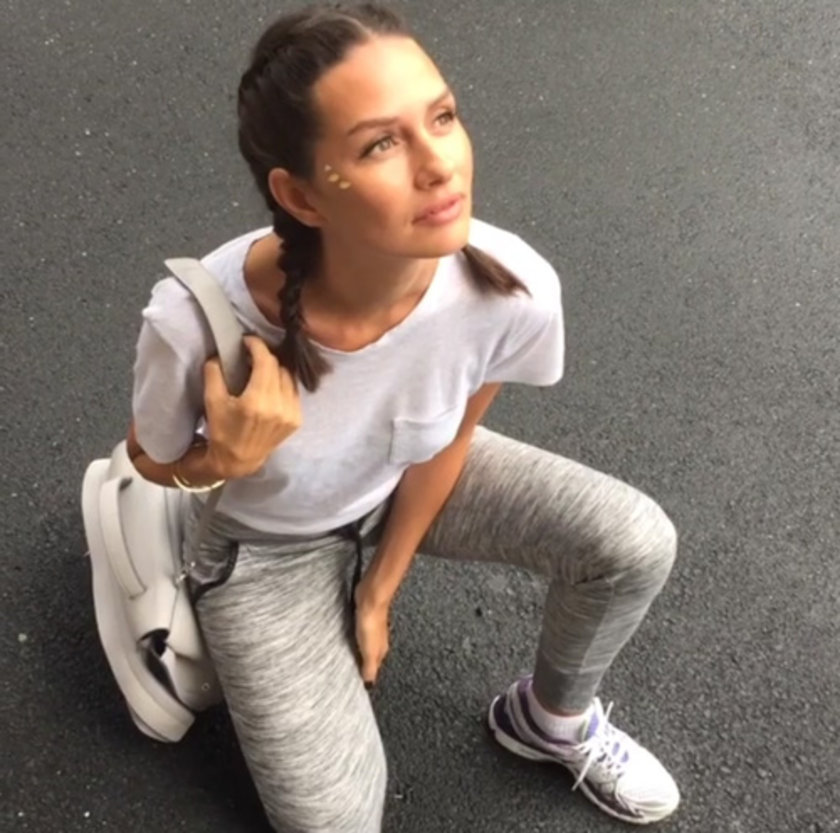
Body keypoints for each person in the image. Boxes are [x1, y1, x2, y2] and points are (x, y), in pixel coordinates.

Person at [126, 3, 680, 831]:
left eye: (443, 117)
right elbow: (148, 456)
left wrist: (380, 586)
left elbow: (449, 438)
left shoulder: (510, 289)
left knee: (633, 542)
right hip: (264, 547)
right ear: (301, 195)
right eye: (381, 144)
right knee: (334, 821)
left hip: (394, 483)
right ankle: (166, 556)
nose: (439, 165)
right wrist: (221, 463)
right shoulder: (195, 321)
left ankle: (548, 721)